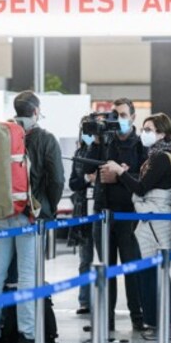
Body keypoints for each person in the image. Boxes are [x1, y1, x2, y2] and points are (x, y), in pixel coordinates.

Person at [0, 90, 64, 343]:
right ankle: (26, 334)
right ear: (35, 111)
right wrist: (48, 210)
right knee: (28, 275)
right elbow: (56, 179)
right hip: (29, 215)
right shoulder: (45, 139)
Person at [102, 113, 171, 341]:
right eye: (144, 128)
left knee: (155, 274)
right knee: (150, 273)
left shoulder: (161, 157)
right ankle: (156, 323)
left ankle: (163, 324)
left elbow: (142, 187)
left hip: (155, 220)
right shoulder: (157, 156)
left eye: (149, 129)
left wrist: (120, 172)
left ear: (162, 133)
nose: (144, 133)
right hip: (151, 220)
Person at [84, 97, 146, 333]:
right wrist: (96, 141)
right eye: (114, 115)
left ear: (132, 117)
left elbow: (143, 183)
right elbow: (87, 169)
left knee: (131, 269)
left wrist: (119, 175)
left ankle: (137, 319)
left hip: (129, 217)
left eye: (122, 115)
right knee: (106, 270)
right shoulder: (104, 142)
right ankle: (106, 319)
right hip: (102, 214)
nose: (118, 120)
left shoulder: (141, 146)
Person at [68, 117, 96, 315]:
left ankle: (106, 302)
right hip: (83, 210)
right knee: (85, 259)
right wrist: (87, 178)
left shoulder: (105, 151)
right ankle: (84, 301)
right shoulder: (79, 154)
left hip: (103, 210)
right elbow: (73, 183)